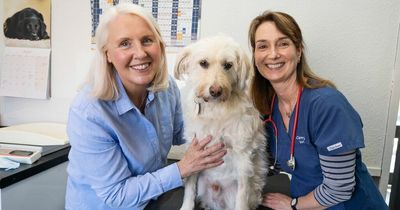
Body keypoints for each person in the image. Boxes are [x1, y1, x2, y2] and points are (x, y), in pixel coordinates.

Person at [65, 3, 226, 210]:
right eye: (125, 44)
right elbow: (116, 195)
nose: (140, 53)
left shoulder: (166, 89)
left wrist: (220, 109)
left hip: (152, 201)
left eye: (147, 40)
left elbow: (183, 133)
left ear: (159, 45)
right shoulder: (89, 113)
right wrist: (182, 169)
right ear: (107, 54)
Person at [248, 11, 388, 210]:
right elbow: (274, 162)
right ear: (254, 56)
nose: (272, 54)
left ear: (299, 51)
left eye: (283, 43)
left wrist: (293, 205)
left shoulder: (326, 105)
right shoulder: (268, 108)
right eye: (262, 46)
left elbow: (339, 189)